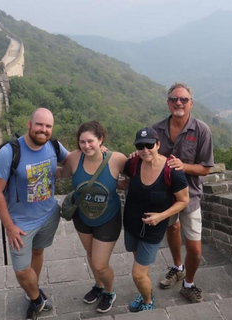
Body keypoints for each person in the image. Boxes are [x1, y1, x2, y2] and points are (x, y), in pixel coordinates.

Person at [0, 108, 69, 320]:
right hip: (21, 224)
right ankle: (36, 299)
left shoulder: (54, 146)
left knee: (38, 253)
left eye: (48, 126)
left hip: (48, 215)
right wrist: (9, 226)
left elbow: (72, 161)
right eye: (39, 125)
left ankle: (33, 290)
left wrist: (100, 151)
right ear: (29, 124)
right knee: (21, 270)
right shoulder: (9, 152)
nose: (43, 130)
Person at [154, 82, 214, 303]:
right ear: (168, 103)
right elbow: (148, 157)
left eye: (183, 99)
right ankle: (177, 267)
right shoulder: (156, 130)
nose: (178, 103)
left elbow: (206, 168)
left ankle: (189, 283)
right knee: (172, 230)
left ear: (191, 103)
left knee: (195, 249)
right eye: (173, 99)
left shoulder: (201, 130)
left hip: (190, 197)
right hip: (165, 196)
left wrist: (183, 166)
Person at [60, 121, 127, 313]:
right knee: (90, 255)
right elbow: (62, 173)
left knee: (100, 263)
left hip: (108, 218)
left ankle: (109, 290)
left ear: (101, 140)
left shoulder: (117, 159)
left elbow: (135, 176)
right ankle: (98, 286)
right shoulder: (74, 159)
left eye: (91, 141)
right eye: (82, 142)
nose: (86, 146)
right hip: (82, 217)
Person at [123, 127, 189, 312]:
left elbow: (184, 200)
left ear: (158, 144)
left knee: (137, 274)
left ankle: (147, 301)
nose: (145, 150)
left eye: (149, 145)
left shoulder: (172, 170)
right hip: (131, 224)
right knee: (141, 268)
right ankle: (147, 291)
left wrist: (161, 217)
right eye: (140, 146)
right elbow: (122, 177)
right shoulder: (133, 163)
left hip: (153, 229)